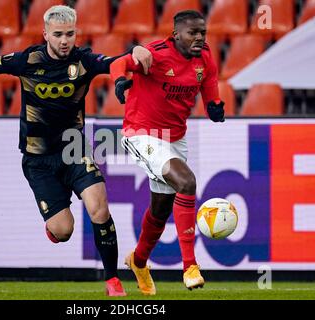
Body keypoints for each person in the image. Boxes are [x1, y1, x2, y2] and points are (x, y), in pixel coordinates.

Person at [0, 5, 152, 297]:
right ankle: (54, 227)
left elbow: (115, 62)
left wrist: (136, 50)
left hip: (73, 150)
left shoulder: (83, 61)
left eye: (69, 34)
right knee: (64, 230)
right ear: (45, 33)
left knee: (99, 208)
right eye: (58, 34)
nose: (64, 40)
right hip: (38, 160)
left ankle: (112, 281)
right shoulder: (27, 61)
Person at [109, 10, 225, 295]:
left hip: (176, 138)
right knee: (186, 181)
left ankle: (138, 261)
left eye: (203, 33)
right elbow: (119, 63)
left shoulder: (205, 57)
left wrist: (215, 106)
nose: (199, 38)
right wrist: (121, 82)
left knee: (161, 210)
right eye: (192, 33)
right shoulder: (156, 54)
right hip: (142, 133)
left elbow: (209, 86)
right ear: (176, 35)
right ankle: (190, 266)